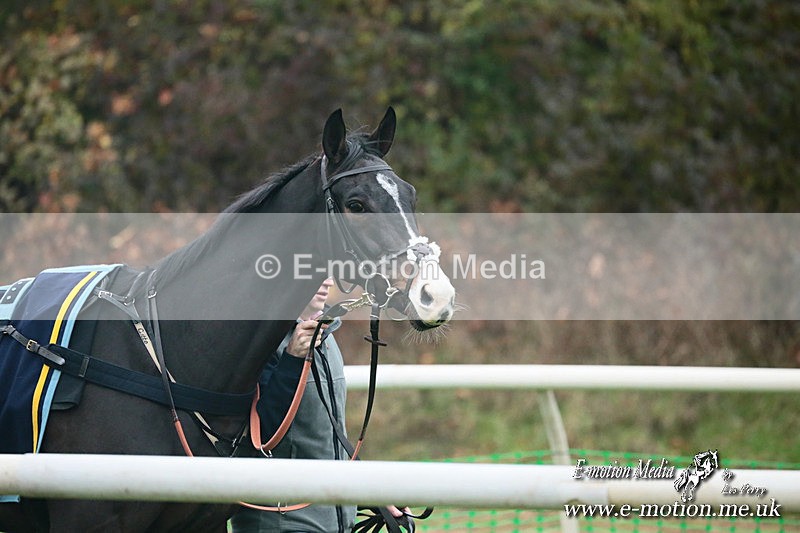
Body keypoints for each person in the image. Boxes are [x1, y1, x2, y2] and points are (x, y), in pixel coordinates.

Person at [231, 277, 357, 532]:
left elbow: (331, 438)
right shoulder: (260, 342)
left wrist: (375, 492)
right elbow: (260, 436)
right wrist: (292, 360)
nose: (328, 280)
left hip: (333, 522)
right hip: (281, 523)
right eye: (316, 272)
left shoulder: (328, 337)